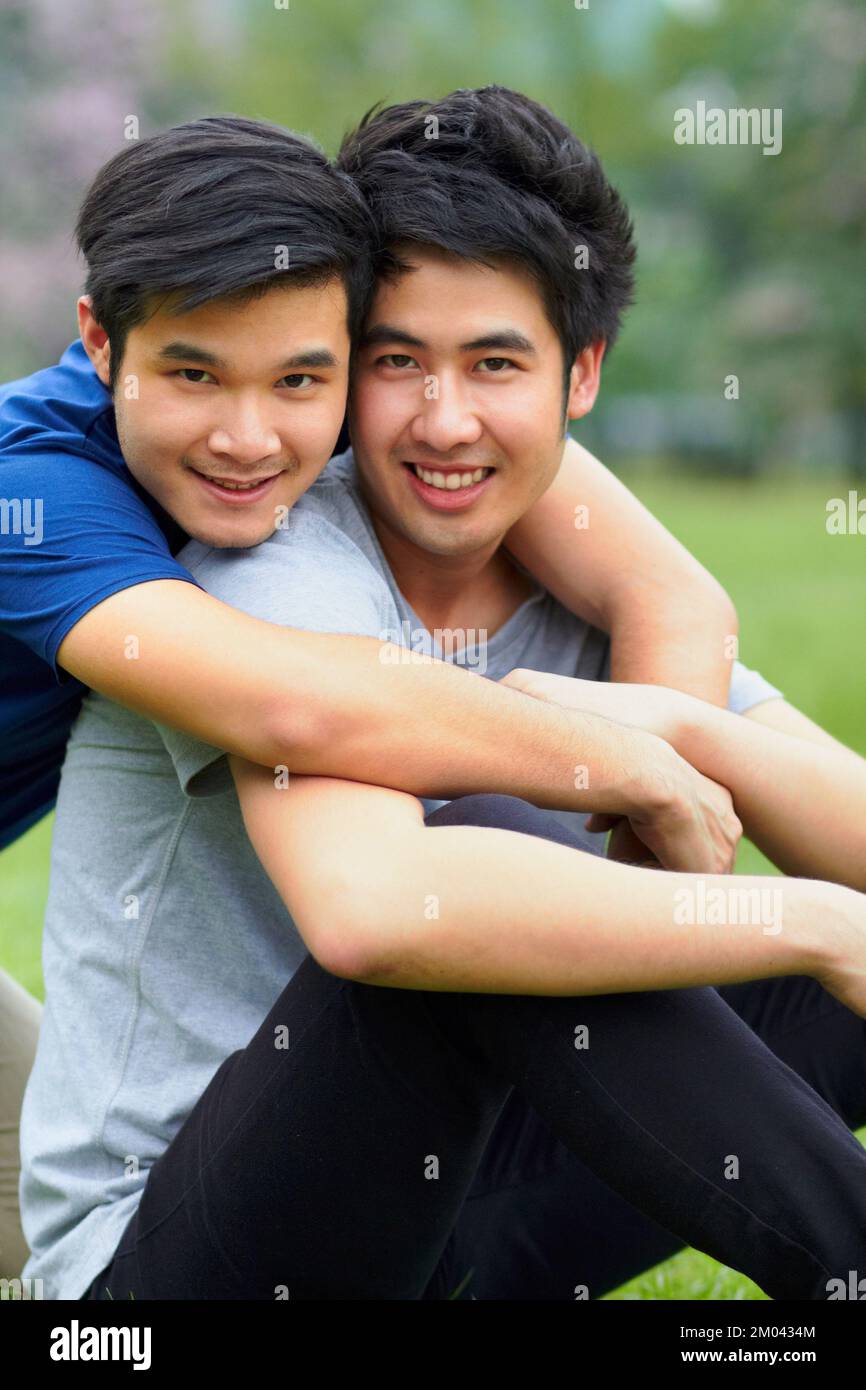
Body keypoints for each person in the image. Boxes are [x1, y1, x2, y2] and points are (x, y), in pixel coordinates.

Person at [16, 90, 866, 1302]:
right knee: (467, 862)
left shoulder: (582, 576)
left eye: (495, 364)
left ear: (580, 378)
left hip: (451, 1213)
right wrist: (816, 922)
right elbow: (380, 907)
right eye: (396, 361)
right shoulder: (271, 562)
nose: (444, 418)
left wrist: (677, 723)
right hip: (164, 1268)